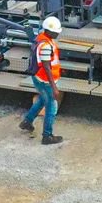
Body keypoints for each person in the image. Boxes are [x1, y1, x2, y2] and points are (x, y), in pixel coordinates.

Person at [20, 16, 64, 145]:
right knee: (51, 107)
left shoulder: (41, 38)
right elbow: (46, 67)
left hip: (38, 78)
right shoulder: (45, 45)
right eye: (56, 31)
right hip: (46, 80)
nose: (57, 33)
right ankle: (47, 136)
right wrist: (54, 87)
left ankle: (27, 122)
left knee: (42, 100)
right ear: (49, 31)